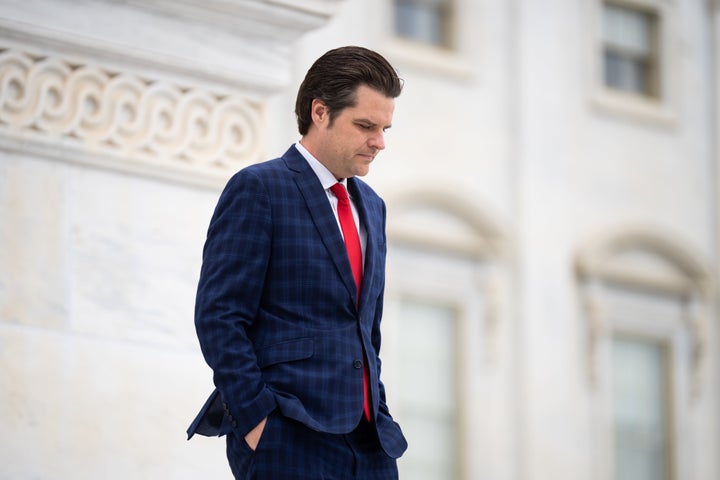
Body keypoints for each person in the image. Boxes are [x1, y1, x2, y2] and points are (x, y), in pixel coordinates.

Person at [187, 46, 407, 479]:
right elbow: (219, 315)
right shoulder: (259, 189)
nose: (379, 142)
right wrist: (255, 421)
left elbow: (367, 330)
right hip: (287, 435)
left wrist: (377, 406)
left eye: (384, 128)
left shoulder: (373, 207)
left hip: (372, 444)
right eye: (365, 125)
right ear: (320, 112)